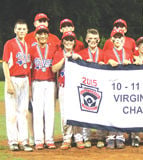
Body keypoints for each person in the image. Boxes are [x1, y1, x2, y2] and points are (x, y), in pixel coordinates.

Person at [25, 12, 59, 146]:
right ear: (36, 35)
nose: (43, 35)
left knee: (50, 111)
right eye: (40, 33)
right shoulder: (31, 49)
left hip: (50, 82)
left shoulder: (53, 46)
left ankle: (49, 139)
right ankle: (39, 140)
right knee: (37, 111)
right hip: (36, 82)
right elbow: (28, 69)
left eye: (45, 33)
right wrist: (29, 88)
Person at [2, 19, 33, 152]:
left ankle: (24, 141)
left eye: (23, 29)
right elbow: (5, 63)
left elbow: (29, 66)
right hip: (13, 79)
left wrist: (29, 84)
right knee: (12, 112)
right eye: (19, 29)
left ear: (27, 31)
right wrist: (8, 82)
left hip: (25, 79)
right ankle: (13, 141)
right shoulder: (10, 43)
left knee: (23, 112)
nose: (21, 31)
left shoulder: (28, 45)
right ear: (15, 30)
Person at [52, 31, 85, 150]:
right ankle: (66, 138)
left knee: (77, 112)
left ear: (74, 42)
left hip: (76, 87)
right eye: (66, 39)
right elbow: (54, 69)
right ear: (63, 41)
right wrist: (64, 59)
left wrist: (80, 59)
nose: (68, 42)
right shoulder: (58, 53)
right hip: (64, 86)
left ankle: (78, 137)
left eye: (71, 40)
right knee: (65, 114)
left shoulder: (78, 54)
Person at [103, 28, 132, 149]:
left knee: (121, 110)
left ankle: (120, 135)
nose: (118, 40)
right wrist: (108, 62)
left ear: (123, 39)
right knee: (110, 110)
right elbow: (101, 66)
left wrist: (129, 62)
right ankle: (110, 136)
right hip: (111, 85)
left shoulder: (128, 53)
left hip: (124, 86)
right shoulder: (108, 52)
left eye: (120, 38)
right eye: (116, 38)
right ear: (112, 39)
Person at [78, 28, 106, 148]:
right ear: (86, 40)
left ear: (99, 40)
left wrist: (104, 65)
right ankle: (87, 137)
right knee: (86, 111)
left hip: (100, 87)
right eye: (90, 39)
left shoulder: (103, 53)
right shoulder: (82, 53)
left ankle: (101, 137)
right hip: (86, 86)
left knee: (101, 111)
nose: (93, 41)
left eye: (95, 39)